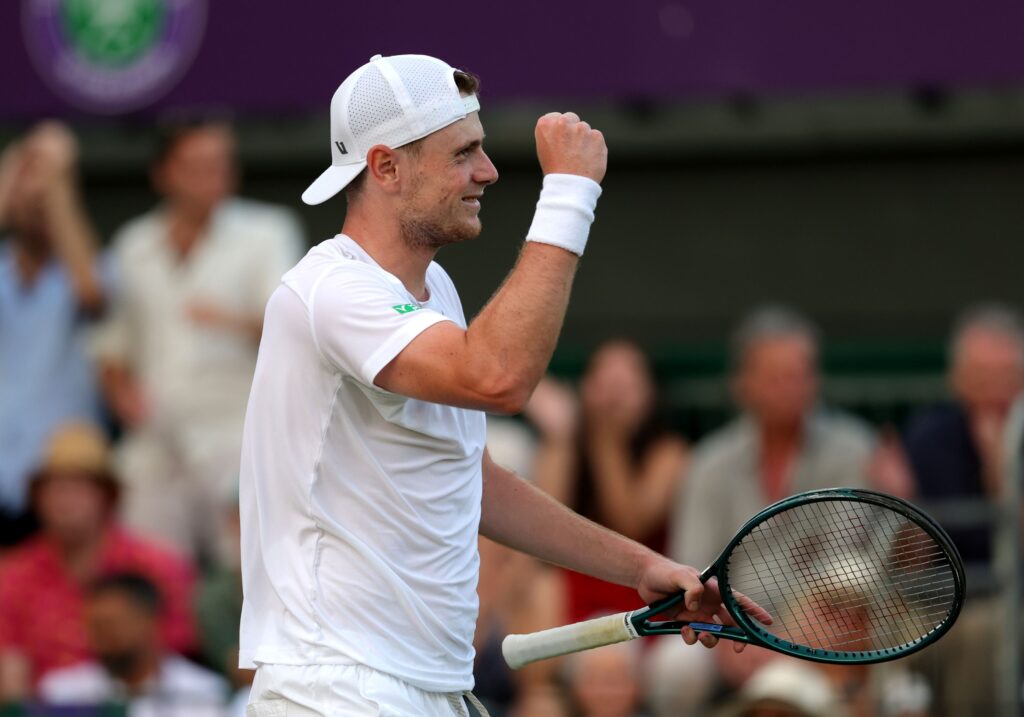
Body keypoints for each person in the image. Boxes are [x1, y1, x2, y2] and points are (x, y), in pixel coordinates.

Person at [240, 53, 755, 717]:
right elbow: (499, 378)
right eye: (464, 153)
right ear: (385, 167)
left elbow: (471, 481)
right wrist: (569, 193)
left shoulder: (436, 292)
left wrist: (638, 566)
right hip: (335, 688)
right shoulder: (329, 290)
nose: (487, 171)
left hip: (418, 687)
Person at [649, 306, 893, 717]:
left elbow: (844, 570)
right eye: (775, 376)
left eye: (800, 374)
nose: (790, 387)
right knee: (674, 668)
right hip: (725, 625)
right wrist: (727, 635)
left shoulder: (854, 449)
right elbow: (690, 567)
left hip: (824, 631)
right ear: (743, 384)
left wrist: (786, 640)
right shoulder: (709, 463)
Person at [94, 117, 303, 560]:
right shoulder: (133, 245)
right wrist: (123, 396)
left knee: (249, 575)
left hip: (240, 440)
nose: (215, 176)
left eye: (221, 163)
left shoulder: (267, 232)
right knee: (151, 579)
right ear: (164, 173)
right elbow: (112, 348)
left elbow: (296, 328)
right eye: (198, 165)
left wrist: (228, 319)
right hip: (155, 444)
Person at [0, 422, 197, 700]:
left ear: (107, 496)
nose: (65, 502)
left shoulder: (158, 565)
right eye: (55, 489)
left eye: (78, 488)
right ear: (37, 499)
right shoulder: (14, 576)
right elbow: (10, 675)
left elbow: (177, 656)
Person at [901, 303, 1024, 716]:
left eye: (1007, 378)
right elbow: (910, 563)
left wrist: (1003, 476)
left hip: (1008, 600)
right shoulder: (928, 437)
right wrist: (901, 501)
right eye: (981, 378)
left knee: (984, 632)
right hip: (937, 598)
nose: (995, 392)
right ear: (957, 379)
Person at [0, 121, 107, 547]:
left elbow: (91, 293)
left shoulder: (91, 267)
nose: (38, 200)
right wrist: (14, 171)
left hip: (65, 472)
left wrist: (58, 186)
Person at [529, 340, 688, 622]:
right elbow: (542, 532)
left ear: (651, 395)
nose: (613, 400)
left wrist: (607, 442)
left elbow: (631, 525)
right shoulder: (567, 443)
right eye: (604, 385)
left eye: (626, 388)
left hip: (642, 591)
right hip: (573, 587)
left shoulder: (669, 452)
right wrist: (560, 439)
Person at [39, 573, 228, 717]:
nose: (103, 636)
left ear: (151, 621)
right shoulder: (63, 695)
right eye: (95, 626)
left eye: (112, 624)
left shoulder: (205, 692)